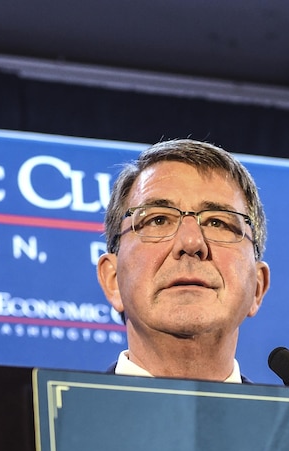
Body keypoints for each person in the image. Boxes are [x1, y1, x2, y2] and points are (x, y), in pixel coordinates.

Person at [98, 139, 270, 382]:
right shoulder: (45, 417)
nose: (191, 243)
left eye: (217, 223)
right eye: (158, 220)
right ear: (112, 280)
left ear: (257, 288)